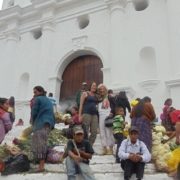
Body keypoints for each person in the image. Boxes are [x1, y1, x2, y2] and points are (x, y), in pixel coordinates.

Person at [31, 86, 55, 172]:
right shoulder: (48, 100)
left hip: (41, 122)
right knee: (42, 142)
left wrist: (32, 122)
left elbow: (34, 112)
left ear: (40, 92)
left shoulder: (38, 99)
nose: (34, 94)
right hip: (48, 123)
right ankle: (39, 164)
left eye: (35, 92)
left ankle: (41, 167)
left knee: (41, 144)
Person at [98, 84, 114, 155]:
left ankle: (110, 149)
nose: (101, 90)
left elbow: (114, 105)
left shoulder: (110, 97)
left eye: (103, 89)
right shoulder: (98, 98)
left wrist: (112, 112)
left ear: (105, 89)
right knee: (102, 132)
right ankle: (104, 148)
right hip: (101, 116)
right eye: (100, 89)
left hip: (108, 116)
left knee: (109, 132)